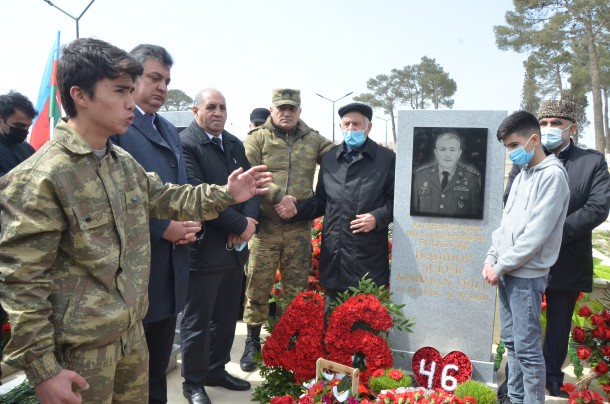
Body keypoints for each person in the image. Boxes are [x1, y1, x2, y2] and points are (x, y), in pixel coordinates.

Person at [0, 38, 271, 404]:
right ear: (80, 95)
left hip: (131, 338)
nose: (131, 102)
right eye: (120, 91)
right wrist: (43, 370)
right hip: (80, 353)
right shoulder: (40, 178)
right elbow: (22, 284)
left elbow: (169, 197)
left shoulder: (120, 163)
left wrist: (227, 193)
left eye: (131, 90)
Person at [501, 100, 610, 398]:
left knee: (559, 323)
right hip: (527, 258)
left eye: (556, 123)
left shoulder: (592, 162)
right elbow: (509, 200)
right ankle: (514, 383)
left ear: (572, 128)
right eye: (544, 122)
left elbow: (597, 207)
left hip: (568, 258)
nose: (549, 128)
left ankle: (551, 378)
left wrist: (554, 232)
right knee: (520, 328)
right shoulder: (527, 158)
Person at [109, 44, 198, 404]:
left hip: (169, 271)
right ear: (131, 78)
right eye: (154, 78)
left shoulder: (167, 128)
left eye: (167, 80)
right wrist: (164, 229)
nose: (162, 87)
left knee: (158, 366)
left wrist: (190, 221)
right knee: (133, 375)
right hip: (134, 273)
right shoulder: (118, 128)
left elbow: (178, 187)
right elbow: (112, 200)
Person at [240, 88, 333, 372]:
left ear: (300, 111)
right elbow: (249, 172)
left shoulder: (314, 139)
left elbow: (339, 160)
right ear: (272, 109)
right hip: (266, 227)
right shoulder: (257, 139)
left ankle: (286, 339)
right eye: (281, 107)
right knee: (258, 284)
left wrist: (311, 204)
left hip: (298, 228)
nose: (286, 112)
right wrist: (281, 196)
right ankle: (253, 340)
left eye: (292, 108)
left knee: (295, 289)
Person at [482, 110, 569, 404]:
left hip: (527, 276)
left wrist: (502, 265)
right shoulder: (522, 174)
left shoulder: (553, 177)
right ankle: (516, 399)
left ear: (534, 139)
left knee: (529, 351)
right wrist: (491, 257)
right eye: (507, 147)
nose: (511, 152)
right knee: (512, 345)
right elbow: (506, 224)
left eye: (514, 146)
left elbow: (535, 235)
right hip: (507, 273)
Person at [179, 88, 258, 404]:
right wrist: (238, 225)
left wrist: (247, 226)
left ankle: (216, 369)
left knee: (226, 318)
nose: (218, 112)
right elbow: (196, 192)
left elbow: (252, 188)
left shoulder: (235, 144)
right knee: (198, 322)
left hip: (234, 251)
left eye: (223, 107)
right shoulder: (186, 143)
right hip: (204, 247)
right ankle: (194, 381)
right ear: (195, 110)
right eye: (211, 106)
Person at [277, 102, 394, 306]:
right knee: (333, 325)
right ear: (340, 127)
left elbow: (398, 201)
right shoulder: (331, 159)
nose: (351, 129)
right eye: (346, 124)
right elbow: (322, 201)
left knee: (366, 326)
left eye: (356, 124)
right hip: (336, 255)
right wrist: (296, 210)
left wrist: (378, 217)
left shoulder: (386, 159)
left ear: (369, 127)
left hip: (368, 255)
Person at [411, 132, 481, 218]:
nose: (447, 155)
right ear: (436, 153)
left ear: (459, 153)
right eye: (443, 149)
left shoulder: (472, 179)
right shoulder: (420, 176)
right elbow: (414, 213)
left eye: (452, 150)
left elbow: (475, 217)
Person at [0, 90, 37, 176]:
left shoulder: (28, 149)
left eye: (28, 126)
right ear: (1, 120)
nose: (25, 130)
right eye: (19, 125)